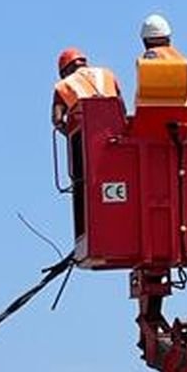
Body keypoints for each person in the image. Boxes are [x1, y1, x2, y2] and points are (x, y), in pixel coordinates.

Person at [52, 47, 124, 240]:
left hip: (90, 147)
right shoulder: (108, 75)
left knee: (91, 194)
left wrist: (71, 137)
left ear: (65, 70)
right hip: (119, 144)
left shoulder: (63, 86)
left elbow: (57, 120)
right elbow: (121, 108)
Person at [135, 12, 187, 107]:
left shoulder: (148, 62)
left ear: (144, 42)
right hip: (185, 118)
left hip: (149, 118)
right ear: (168, 39)